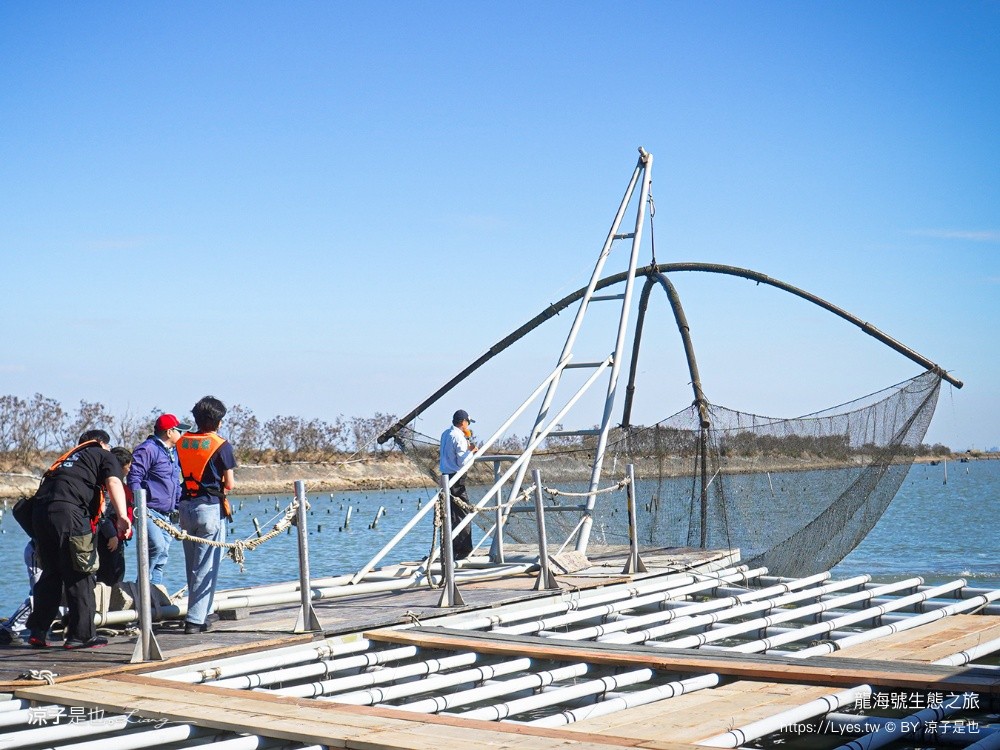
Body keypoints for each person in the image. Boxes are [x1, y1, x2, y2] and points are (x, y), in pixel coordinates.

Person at [26, 430, 131, 649]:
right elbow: (114, 482)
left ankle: (38, 631)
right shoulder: (103, 454)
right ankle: (81, 636)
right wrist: (122, 516)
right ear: (102, 443)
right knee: (81, 573)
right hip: (69, 513)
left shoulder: (67, 459)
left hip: (41, 513)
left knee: (52, 572)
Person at [176, 396, 236, 635]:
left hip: (185, 507)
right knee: (207, 566)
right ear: (218, 421)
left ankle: (202, 612)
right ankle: (195, 620)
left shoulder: (182, 441)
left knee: (193, 565)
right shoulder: (221, 445)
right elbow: (229, 483)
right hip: (210, 508)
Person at [127, 414, 189, 587]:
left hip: (168, 515)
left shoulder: (174, 452)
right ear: (169, 432)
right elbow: (134, 477)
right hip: (149, 511)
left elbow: (175, 481)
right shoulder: (147, 449)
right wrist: (140, 505)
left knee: (162, 558)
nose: (182, 434)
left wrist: (178, 506)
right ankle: (142, 592)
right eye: (179, 430)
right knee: (157, 547)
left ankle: (155, 597)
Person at [439, 408, 477, 560]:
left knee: (451, 514)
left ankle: (451, 548)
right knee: (463, 513)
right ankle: (463, 549)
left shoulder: (445, 433)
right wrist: (472, 451)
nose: (468, 426)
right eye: (467, 423)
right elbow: (462, 461)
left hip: (445, 476)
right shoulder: (459, 436)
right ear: (463, 422)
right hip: (456, 477)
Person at [96, 447, 135, 588]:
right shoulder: (109, 486)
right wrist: (111, 535)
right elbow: (103, 513)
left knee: (118, 571)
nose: (129, 470)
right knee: (108, 574)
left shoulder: (121, 485)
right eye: (128, 467)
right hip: (108, 538)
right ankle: (106, 605)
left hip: (119, 537)